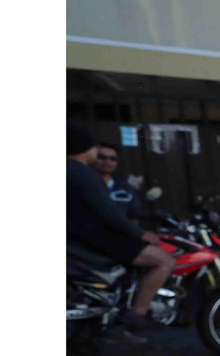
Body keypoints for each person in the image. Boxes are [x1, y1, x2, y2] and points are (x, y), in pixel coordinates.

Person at [67, 122, 176, 334]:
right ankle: (138, 313)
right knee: (164, 260)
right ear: (86, 148)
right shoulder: (85, 173)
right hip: (97, 236)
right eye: (96, 149)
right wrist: (140, 234)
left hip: (76, 238)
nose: (99, 155)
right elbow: (108, 212)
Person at [93, 142, 143, 224]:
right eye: (102, 157)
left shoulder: (126, 188)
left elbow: (134, 217)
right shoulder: (83, 184)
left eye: (112, 159)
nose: (107, 162)